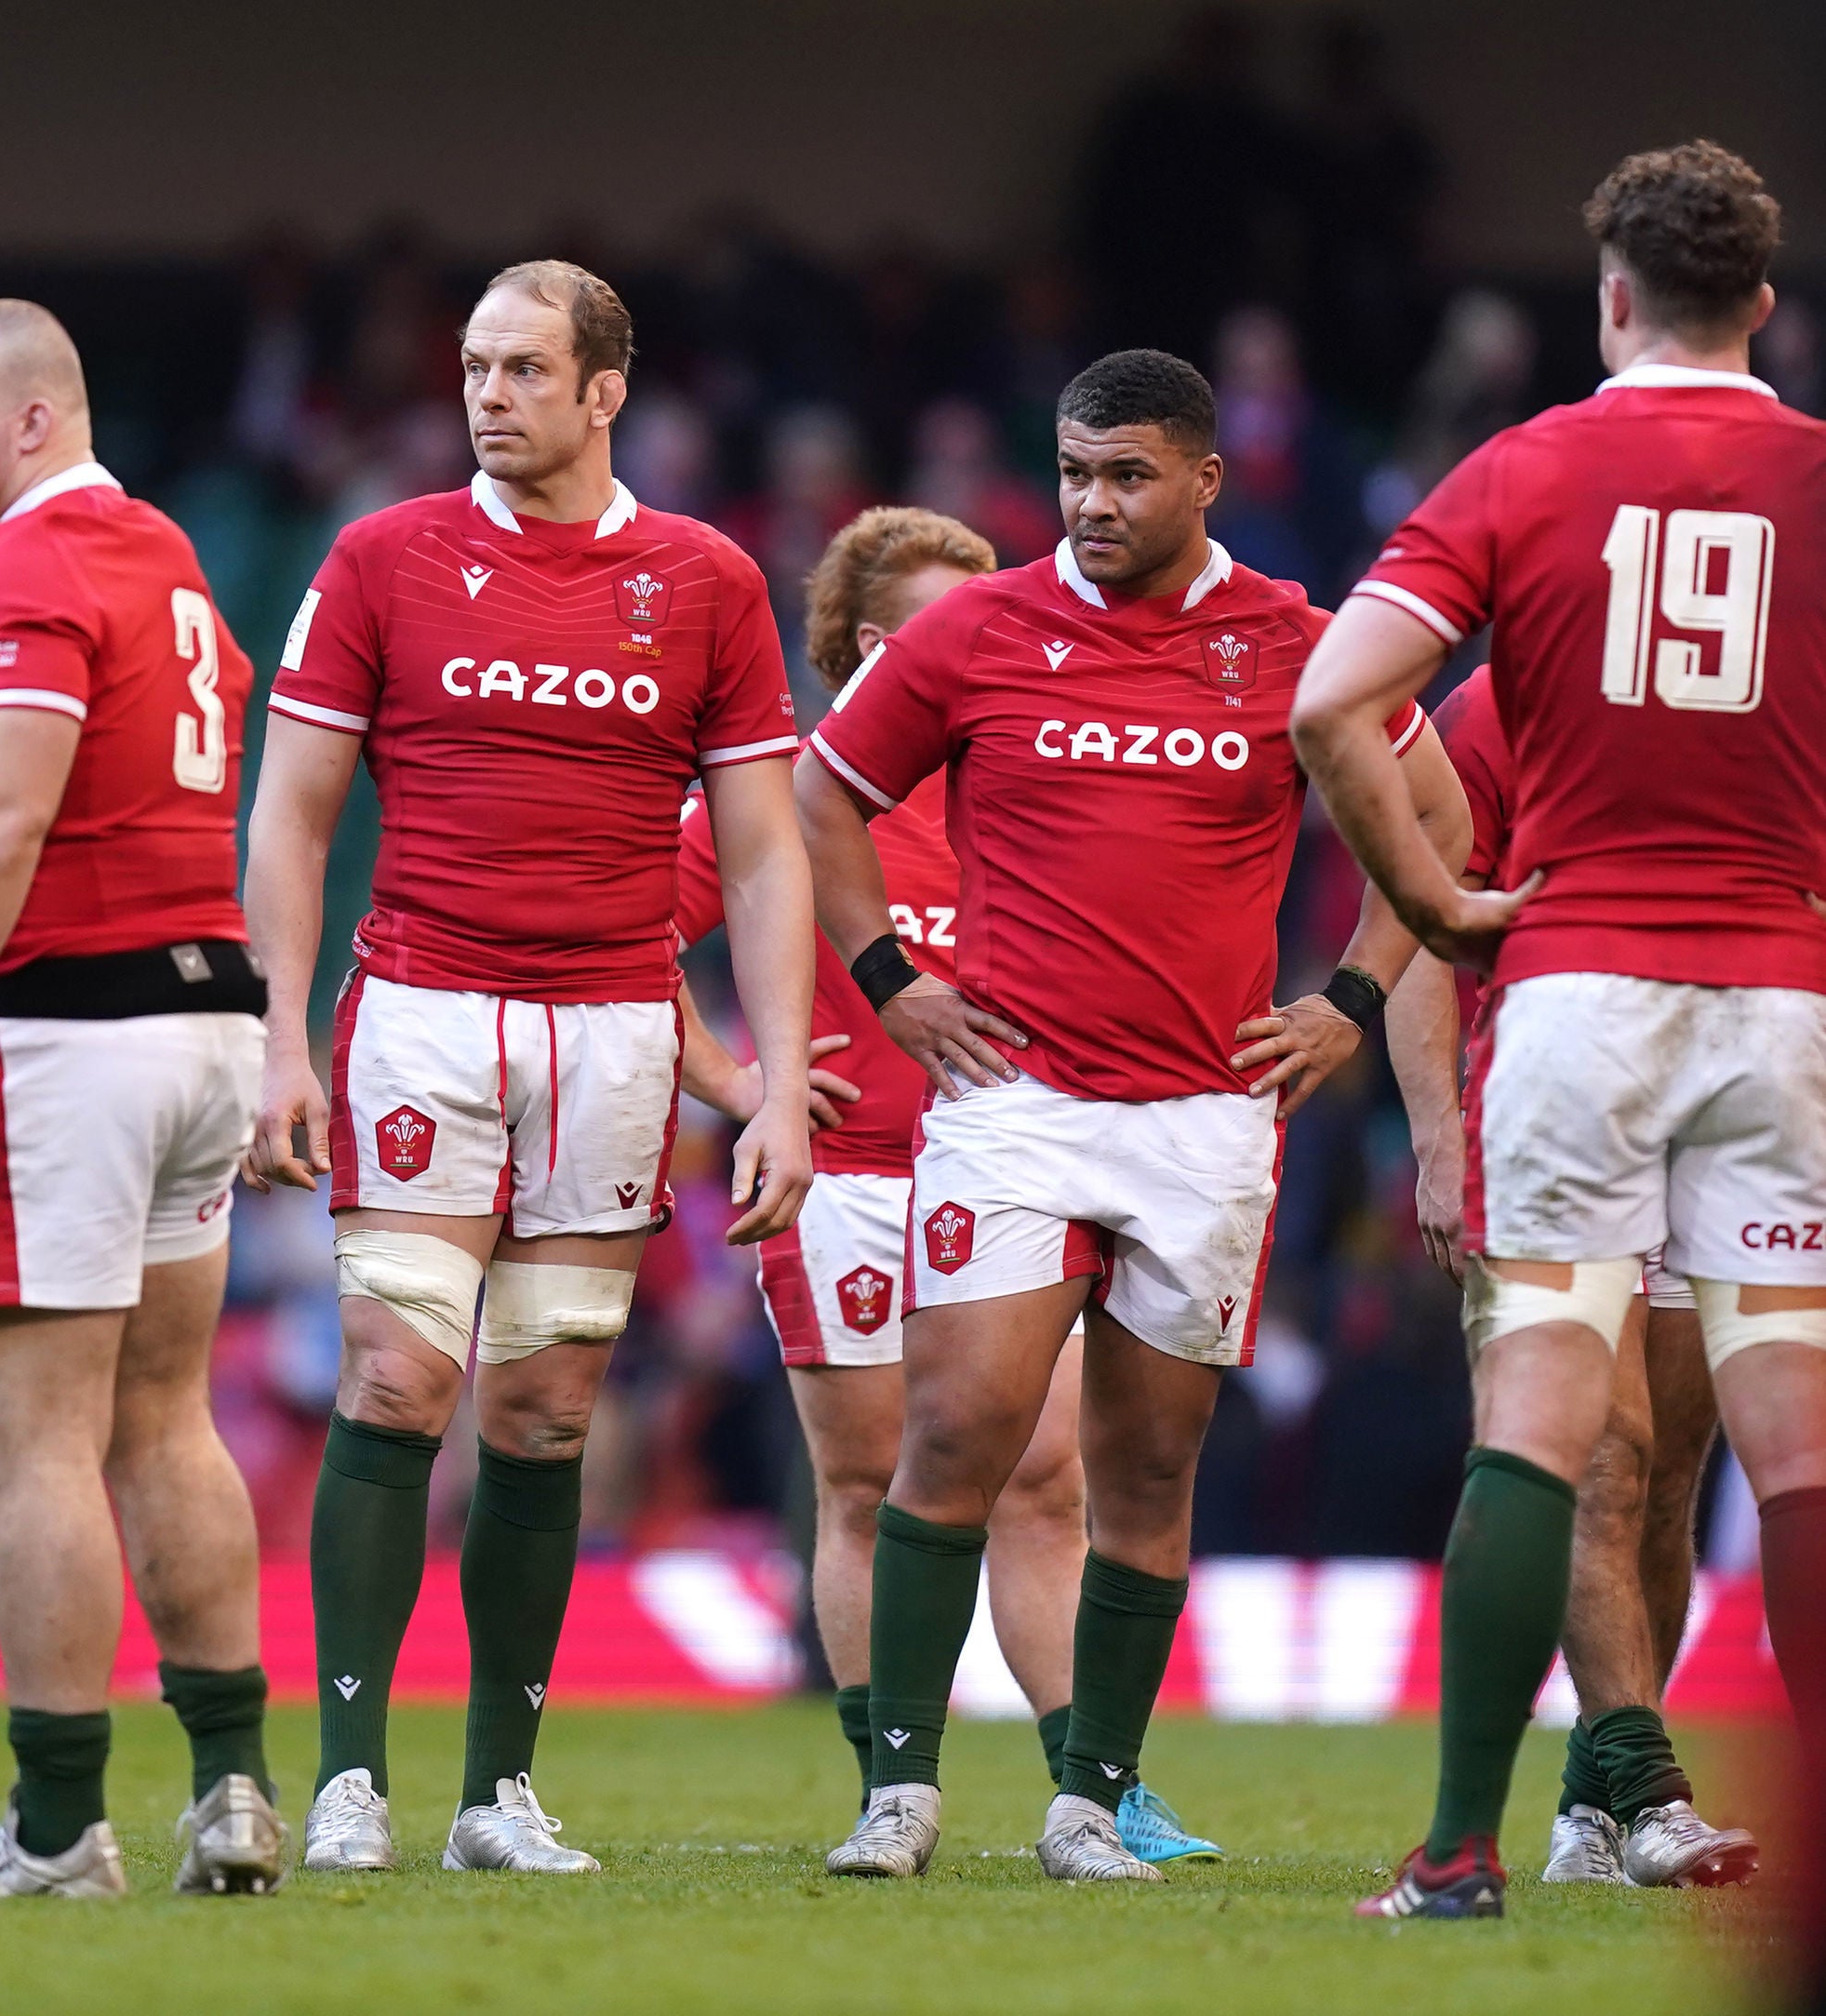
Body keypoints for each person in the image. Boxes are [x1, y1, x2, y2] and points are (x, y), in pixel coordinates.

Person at [799, 348, 1461, 1886]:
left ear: (1206, 478)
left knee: (1147, 1472)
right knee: (956, 1432)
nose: (1093, 503)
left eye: (1128, 475)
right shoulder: (975, 625)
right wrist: (891, 977)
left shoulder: (1297, 640)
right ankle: (898, 1790)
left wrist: (1351, 1001)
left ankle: (1091, 1800)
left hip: (1208, 1116)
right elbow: (826, 795)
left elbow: (1439, 825)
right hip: (1013, 1103)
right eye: (1076, 472)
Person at [1296, 140, 1826, 1921]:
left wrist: (1440, 908)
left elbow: (1336, 703)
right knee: (1797, 1443)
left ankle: (1458, 1854)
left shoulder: (1522, 471)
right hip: (1782, 995)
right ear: (1761, 303)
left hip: (1587, 993)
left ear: (1610, 296)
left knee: (1539, 1421)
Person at [244, 260, 815, 1877]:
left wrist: (773, 1079)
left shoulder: (704, 580)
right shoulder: (382, 556)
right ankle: (350, 1778)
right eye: (476, 366)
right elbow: (287, 816)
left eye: (523, 369)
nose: (488, 395)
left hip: (618, 1039)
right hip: (424, 1012)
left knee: (550, 1412)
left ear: (605, 391)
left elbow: (766, 859)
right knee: (395, 1382)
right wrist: (278, 1031)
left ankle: (499, 1793)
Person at [673, 506, 1218, 1867]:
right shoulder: (792, 791)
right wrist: (749, 1087)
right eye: (953, 620)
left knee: (1046, 1481)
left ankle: (1096, 1784)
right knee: (868, 1483)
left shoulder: (1029, 777)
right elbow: (627, 938)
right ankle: (890, 1781)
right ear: (871, 646)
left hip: (1019, 1167)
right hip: (852, 1180)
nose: (997, 642)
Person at [0, 299, 277, 1899]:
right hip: (197, 1015)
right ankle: (232, 1793)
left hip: (54, 1033)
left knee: (35, 1439)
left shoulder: (16, 571)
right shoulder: (162, 552)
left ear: (35, 420)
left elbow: (3, 815)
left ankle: (55, 1832)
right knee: (165, 1419)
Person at [1385, 664, 1753, 1891]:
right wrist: (1440, 1135)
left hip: (1718, 1127)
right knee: (1605, 1458)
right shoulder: (1501, 705)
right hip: (1550, 1121)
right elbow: (1419, 922)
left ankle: (1589, 1808)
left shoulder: (1762, 689)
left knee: (1664, 1487)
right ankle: (1652, 1792)